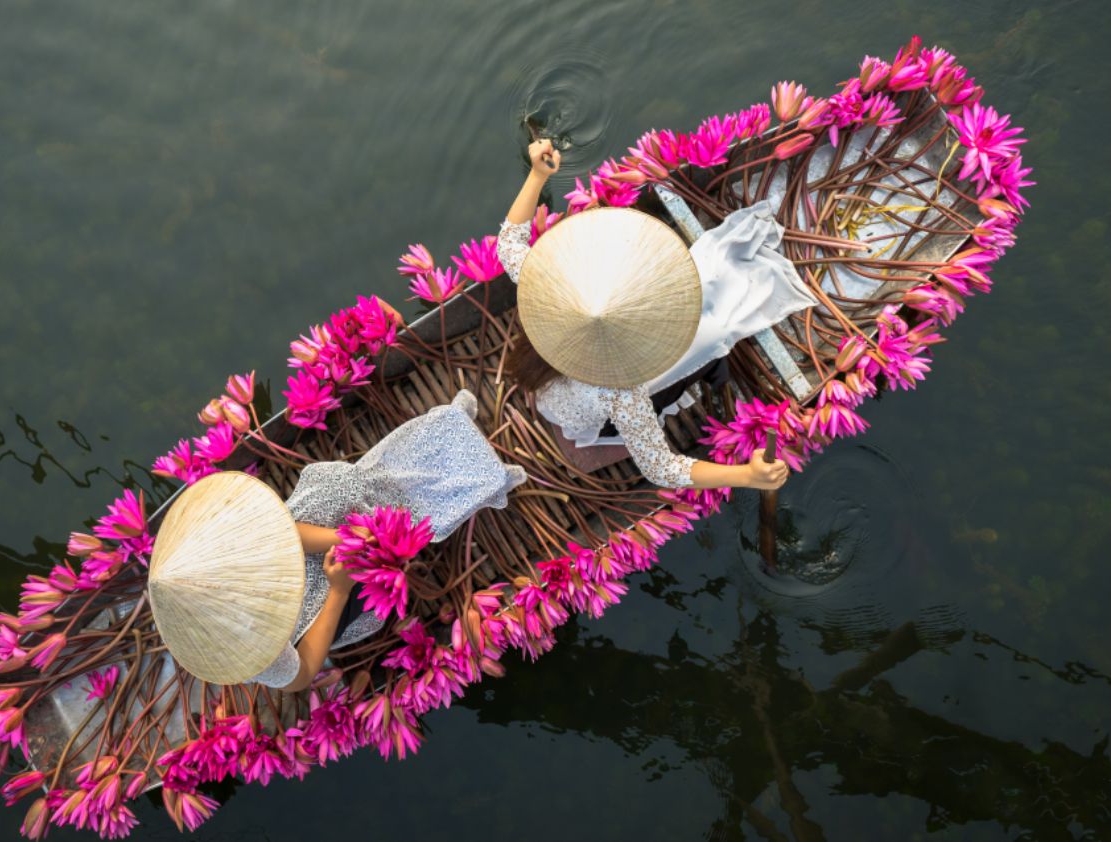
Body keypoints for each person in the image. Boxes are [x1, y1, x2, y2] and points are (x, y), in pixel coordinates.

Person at [496, 139, 802, 492]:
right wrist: (746, 477)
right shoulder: (620, 391)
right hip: (585, 418)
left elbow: (508, 242)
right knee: (713, 339)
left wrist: (537, 174)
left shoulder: (549, 286)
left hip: (546, 379)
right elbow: (661, 467)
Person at [247, 389, 523, 691]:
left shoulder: (211, 543)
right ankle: (488, 480)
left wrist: (341, 537)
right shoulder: (242, 652)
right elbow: (298, 677)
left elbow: (273, 528)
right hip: (320, 606)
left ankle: (449, 426)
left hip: (298, 546)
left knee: (351, 485)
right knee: (397, 535)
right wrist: (339, 590)